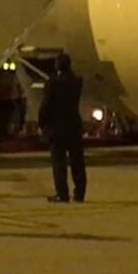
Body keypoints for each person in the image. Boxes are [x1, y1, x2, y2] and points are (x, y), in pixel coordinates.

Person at [39, 53, 87, 204]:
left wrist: (42, 124)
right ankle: (79, 193)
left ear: (58, 65)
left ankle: (62, 194)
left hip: (57, 127)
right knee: (77, 162)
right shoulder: (77, 82)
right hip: (73, 125)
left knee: (59, 163)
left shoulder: (52, 83)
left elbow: (45, 106)